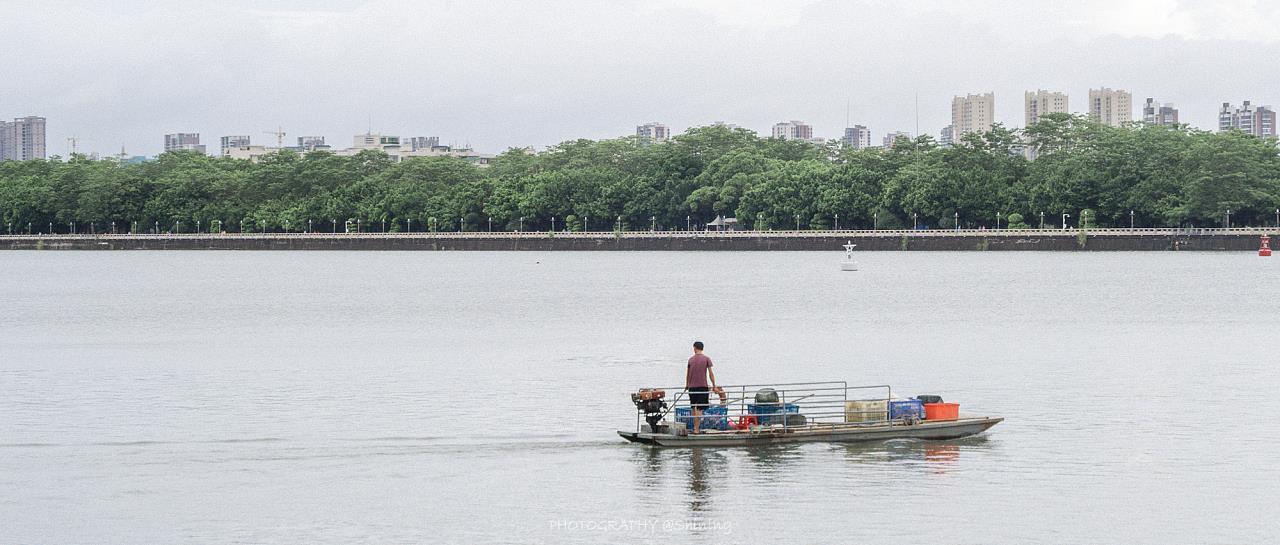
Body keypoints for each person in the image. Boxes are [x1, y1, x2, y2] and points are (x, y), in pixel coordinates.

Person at [685, 341, 717, 434]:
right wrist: (714, 385)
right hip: (702, 386)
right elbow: (711, 373)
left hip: (692, 387)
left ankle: (695, 427)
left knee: (693, 407)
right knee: (699, 409)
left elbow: (687, 374)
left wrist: (687, 384)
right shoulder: (707, 359)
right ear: (702, 348)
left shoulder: (690, 360)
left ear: (695, 348)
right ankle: (696, 429)